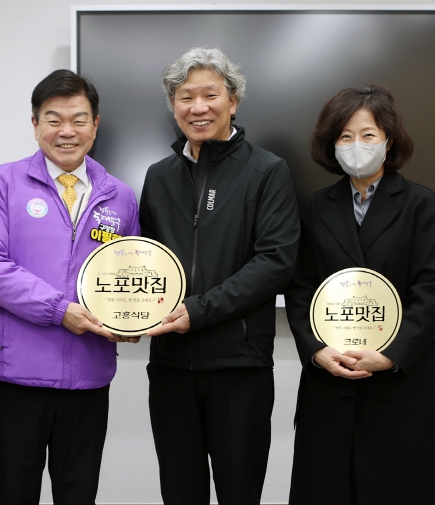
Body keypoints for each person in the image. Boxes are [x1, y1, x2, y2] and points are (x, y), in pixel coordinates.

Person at [0, 69, 140, 505]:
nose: (67, 131)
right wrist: (59, 310)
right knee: (16, 495)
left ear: (95, 125)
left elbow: (130, 274)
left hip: (89, 376)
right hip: (18, 376)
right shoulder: (1, 184)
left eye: (79, 120)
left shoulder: (120, 196)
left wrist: (132, 319)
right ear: (35, 124)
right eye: (54, 119)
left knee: (78, 496)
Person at [284, 85, 435, 505]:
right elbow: (300, 288)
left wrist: (391, 354)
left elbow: (433, 290)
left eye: (368, 135)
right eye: (345, 136)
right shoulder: (316, 207)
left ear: (389, 140)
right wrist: (316, 350)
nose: (356, 145)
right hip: (333, 376)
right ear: (332, 144)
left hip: (402, 381)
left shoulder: (420, 204)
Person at [139, 47, 300, 504]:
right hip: (170, 368)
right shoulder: (158, 176)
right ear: (173, 106)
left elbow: (275, 262)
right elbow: (146, 261)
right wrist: (129, 314)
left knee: (239, 494)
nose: (198, 107)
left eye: (210, 95)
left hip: (239, 368)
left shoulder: (267, 171)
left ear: (234, 101)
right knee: (179, 493)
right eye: (185, 97)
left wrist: (198, 311)